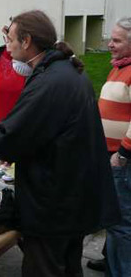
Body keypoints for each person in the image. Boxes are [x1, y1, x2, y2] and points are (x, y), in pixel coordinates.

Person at [0, 10, 121, 277]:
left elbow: (3, 141)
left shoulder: (50, 81)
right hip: (74, 198)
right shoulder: (66, 71)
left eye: (10, 39)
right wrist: (20, 148)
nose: (7, 47)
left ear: (26, 41)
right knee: (69, 266)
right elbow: (47, 133)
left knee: (44, 268)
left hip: (54, 206)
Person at [96, 17, 131, 276]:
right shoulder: (118, 67)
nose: (110, 44)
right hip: (110, 154)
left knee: (122, 221)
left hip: (123, 159)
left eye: (117, 40)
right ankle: (111, 260)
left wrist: (123, 153)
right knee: (112, 213)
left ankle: (120, 270)